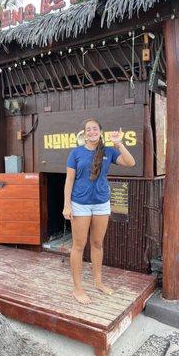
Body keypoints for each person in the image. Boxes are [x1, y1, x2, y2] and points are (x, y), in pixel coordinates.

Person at [62, 118, 136, 304]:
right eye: (88, 129)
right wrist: (67, 205)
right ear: (84, 133)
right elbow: (69, 181)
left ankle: (98, 282)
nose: (92, 131)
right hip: (80, 203)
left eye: (95, 128)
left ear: (100, 132)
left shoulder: (108, 151)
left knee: (97, 244)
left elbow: (130, 162)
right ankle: (77, 289)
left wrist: (119, 144)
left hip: (102, 203)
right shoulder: (76, 153)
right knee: (79, 246)